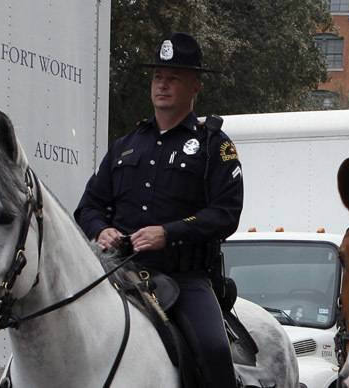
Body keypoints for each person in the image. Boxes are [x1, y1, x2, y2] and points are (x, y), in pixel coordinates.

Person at [74, 32, 243, 388]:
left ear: (195, 87)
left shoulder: (214, 145)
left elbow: (226, 213)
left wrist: (169, 233)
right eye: (157, 77)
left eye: (174, 78)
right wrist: (100, 229)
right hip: (117, 273)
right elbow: (88, 206)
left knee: (214, 351)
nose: (162, 85)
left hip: (184, 279)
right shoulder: (125, 144)